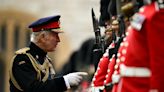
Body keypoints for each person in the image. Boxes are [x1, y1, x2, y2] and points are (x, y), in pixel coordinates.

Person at [9, 15, 88, 92]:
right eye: (55, 35)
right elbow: (33, 89)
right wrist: (65, 81)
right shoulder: (22, 59)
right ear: (43, 37)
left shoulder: (45, 60)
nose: (58, 40)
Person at [115, 0, 164, 92]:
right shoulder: (147, 11)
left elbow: (159, 61)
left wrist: (156, 89)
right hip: (131, 86)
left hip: (141, 86)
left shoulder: (157, 14)